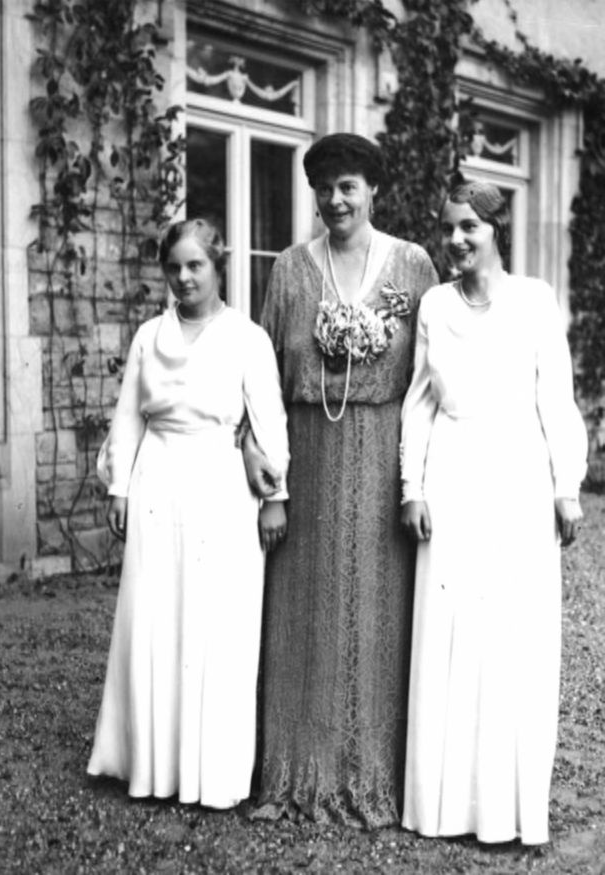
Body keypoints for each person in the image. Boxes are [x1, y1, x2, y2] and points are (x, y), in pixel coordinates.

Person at [248, 133, 439, 828]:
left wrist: (421, 479)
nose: (335, 200)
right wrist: (264, 467)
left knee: (375, 613)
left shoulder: (413, 265)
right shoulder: (290, 269)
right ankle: (297, 770)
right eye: (324, 188)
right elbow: (261, 376)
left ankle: (372, 774)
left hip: (383, 457)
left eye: (348, 186)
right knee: (304, 612)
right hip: (309, 457)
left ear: (372, 190)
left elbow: (432, 379)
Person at [399, 180, 587, 845]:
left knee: (512, 632)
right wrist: (412, 486)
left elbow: (555, 398)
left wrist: (566, 484)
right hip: (452, 473)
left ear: (497, 230)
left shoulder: (535, 301)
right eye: (448, 227)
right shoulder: (434, 304)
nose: (455, 240)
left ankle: (509, 808)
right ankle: (446, 805)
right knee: (452, 630)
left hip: (518, 476)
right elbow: (420, 401)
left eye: (468, 227)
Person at [87, 218, 289, 807]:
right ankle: (151, 764)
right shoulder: (149, 336)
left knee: (217, 622)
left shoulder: (247, 337)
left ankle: (213, 774)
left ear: (217, 265)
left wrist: (275, 498)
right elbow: (129, 415)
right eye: (173, 267)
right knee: (155, 616)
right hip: (157, 479)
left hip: (222, 486)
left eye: (195, 264)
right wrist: (119, 488)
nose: (184, 277)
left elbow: (269, 419)